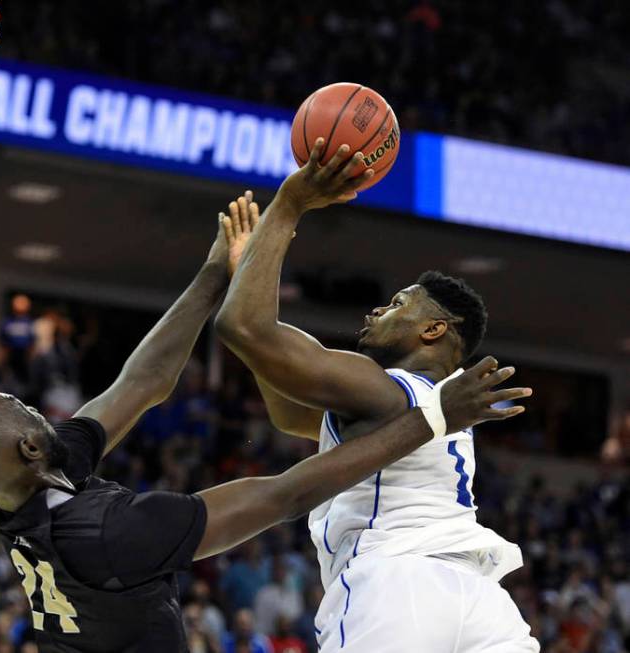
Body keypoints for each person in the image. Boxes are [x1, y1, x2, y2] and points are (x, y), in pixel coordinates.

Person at [0, 196, 530, 652]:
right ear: (27, 447)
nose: (47, 413)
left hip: (443, 580)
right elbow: (286, 492)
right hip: (437, 588)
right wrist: (289, 207)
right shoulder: (104, 532)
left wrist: (218, 275)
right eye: (32, 413)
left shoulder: (44, 478)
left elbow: (143, 383)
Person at [214, 138, 539, 652]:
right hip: (483, 601)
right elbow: (286, 410)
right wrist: (247, 274)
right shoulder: (434, 405)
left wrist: (290, 203)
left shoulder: (381, 387)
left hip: (396, 584)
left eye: (396, 304)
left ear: (433, 329)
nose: (375, 312)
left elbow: (245, 329)